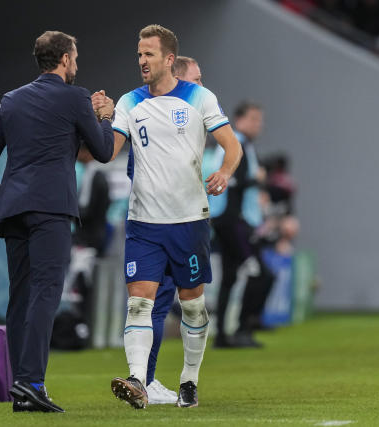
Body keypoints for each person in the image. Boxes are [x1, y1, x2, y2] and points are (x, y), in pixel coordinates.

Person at [100, 25, 241, 409]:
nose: (141, 61)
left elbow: (232, 145)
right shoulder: (130, 102)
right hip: (144, 224)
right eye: (139, 54)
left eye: (148, 54)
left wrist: (224, 173)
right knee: (139, 303)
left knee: (193, 305)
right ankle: (138, 379)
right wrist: (102, 118)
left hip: (189, 221)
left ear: (168, 60)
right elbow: (107, 151)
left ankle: (189, 380)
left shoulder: (199, 97)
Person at [0, 30, 114, 413]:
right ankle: (32, 382)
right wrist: (105, 117)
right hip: (51, 209)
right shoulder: (75, 97)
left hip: (13, 210)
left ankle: (21, 388)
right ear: (65, 59)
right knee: (46, 291)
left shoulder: (12, 100)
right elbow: (102, 151)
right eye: (76, 57)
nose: (78, 64)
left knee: (20, 297)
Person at [142, 54, 205, 405]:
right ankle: (146, 380)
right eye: (197, 80)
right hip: (164, 222)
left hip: (171, 219)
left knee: (158, 303)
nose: (202, 86)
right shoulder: (166, 120)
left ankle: (146, 378)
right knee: (155, 302)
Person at [210, 102, 275, 348]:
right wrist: (256, 180)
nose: (258, 125)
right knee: (261, 274)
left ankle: (223, 336)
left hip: (231, 220)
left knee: (230, 277)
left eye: (260, 120)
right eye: (254, 119)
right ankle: (243, 328)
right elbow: (233, 183)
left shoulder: (242, 145)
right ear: (239, 119)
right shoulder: (235, 145)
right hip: (234, 222)